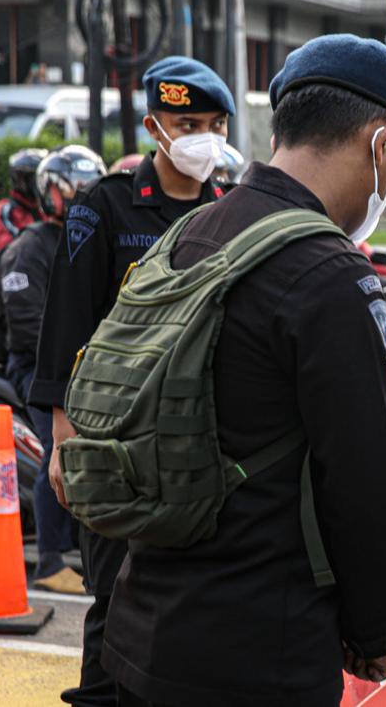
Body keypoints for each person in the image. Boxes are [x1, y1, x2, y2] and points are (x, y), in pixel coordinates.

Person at [72, 34, 386, 706]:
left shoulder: (194, 232)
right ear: (381, 142)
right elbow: (363, 484)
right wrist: (374, 627)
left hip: (139, 626)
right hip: (259, 651)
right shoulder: (328, 272)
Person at [29, 55, 232, 706]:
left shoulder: (228, 215)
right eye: (187, 122)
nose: (202, 136)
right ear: (154, 127)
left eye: (213, 123)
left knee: (186, 600)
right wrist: (63, 441)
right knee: (115, 596)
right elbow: (65, 326)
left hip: (196, 441)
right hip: (115, 439)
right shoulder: (104, 207)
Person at [0, 145, 105, 595]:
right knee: (60, 450)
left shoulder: (87, 238)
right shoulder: (28, 249)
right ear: (49, 191)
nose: (80, 195)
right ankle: (50, 559)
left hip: (85, 365)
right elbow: (28, 328)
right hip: (38, 367)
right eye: (72, 187)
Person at [0, 148, 47, 257]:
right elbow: (9, 248)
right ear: (20, 180)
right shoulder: (5, 210)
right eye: (34, 179)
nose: (39, 184)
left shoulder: (46, 207)